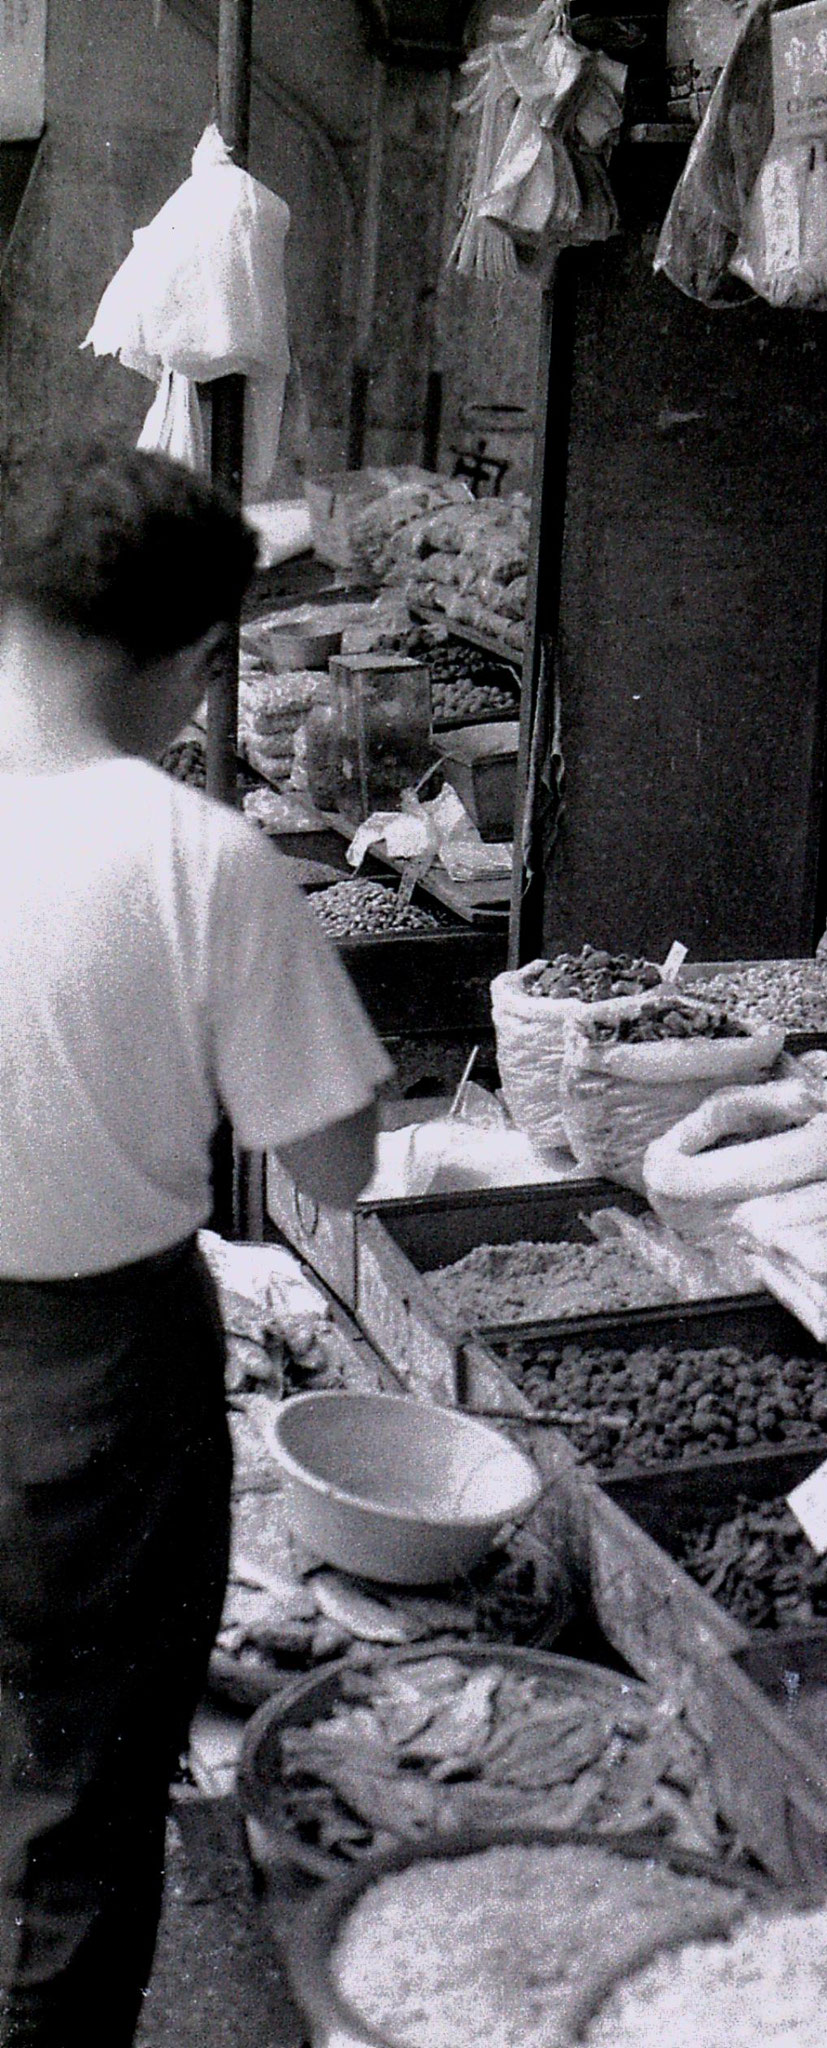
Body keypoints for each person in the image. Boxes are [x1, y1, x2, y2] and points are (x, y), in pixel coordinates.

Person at [0, 441, 392, 2045]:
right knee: (73, 1798)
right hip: (88, 1391)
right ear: (189, 657)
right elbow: (339, 1164)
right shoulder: (195, 856)